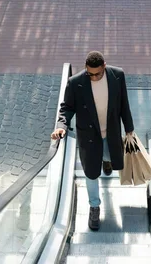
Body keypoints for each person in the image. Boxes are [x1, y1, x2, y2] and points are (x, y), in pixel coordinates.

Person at [51, 51, 134, 231]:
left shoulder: (117, 75)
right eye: (90, 74)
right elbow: (66, 108)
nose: (94, 77)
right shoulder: (76, 82)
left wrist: (129, 128)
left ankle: (106, 162)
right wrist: (61, 126)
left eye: (97, 73)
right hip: (89, 137)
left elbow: (123, 103)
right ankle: (94, 207)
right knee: (91, 173)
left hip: (111, 131)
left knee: (110, 156)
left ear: (104, 65)